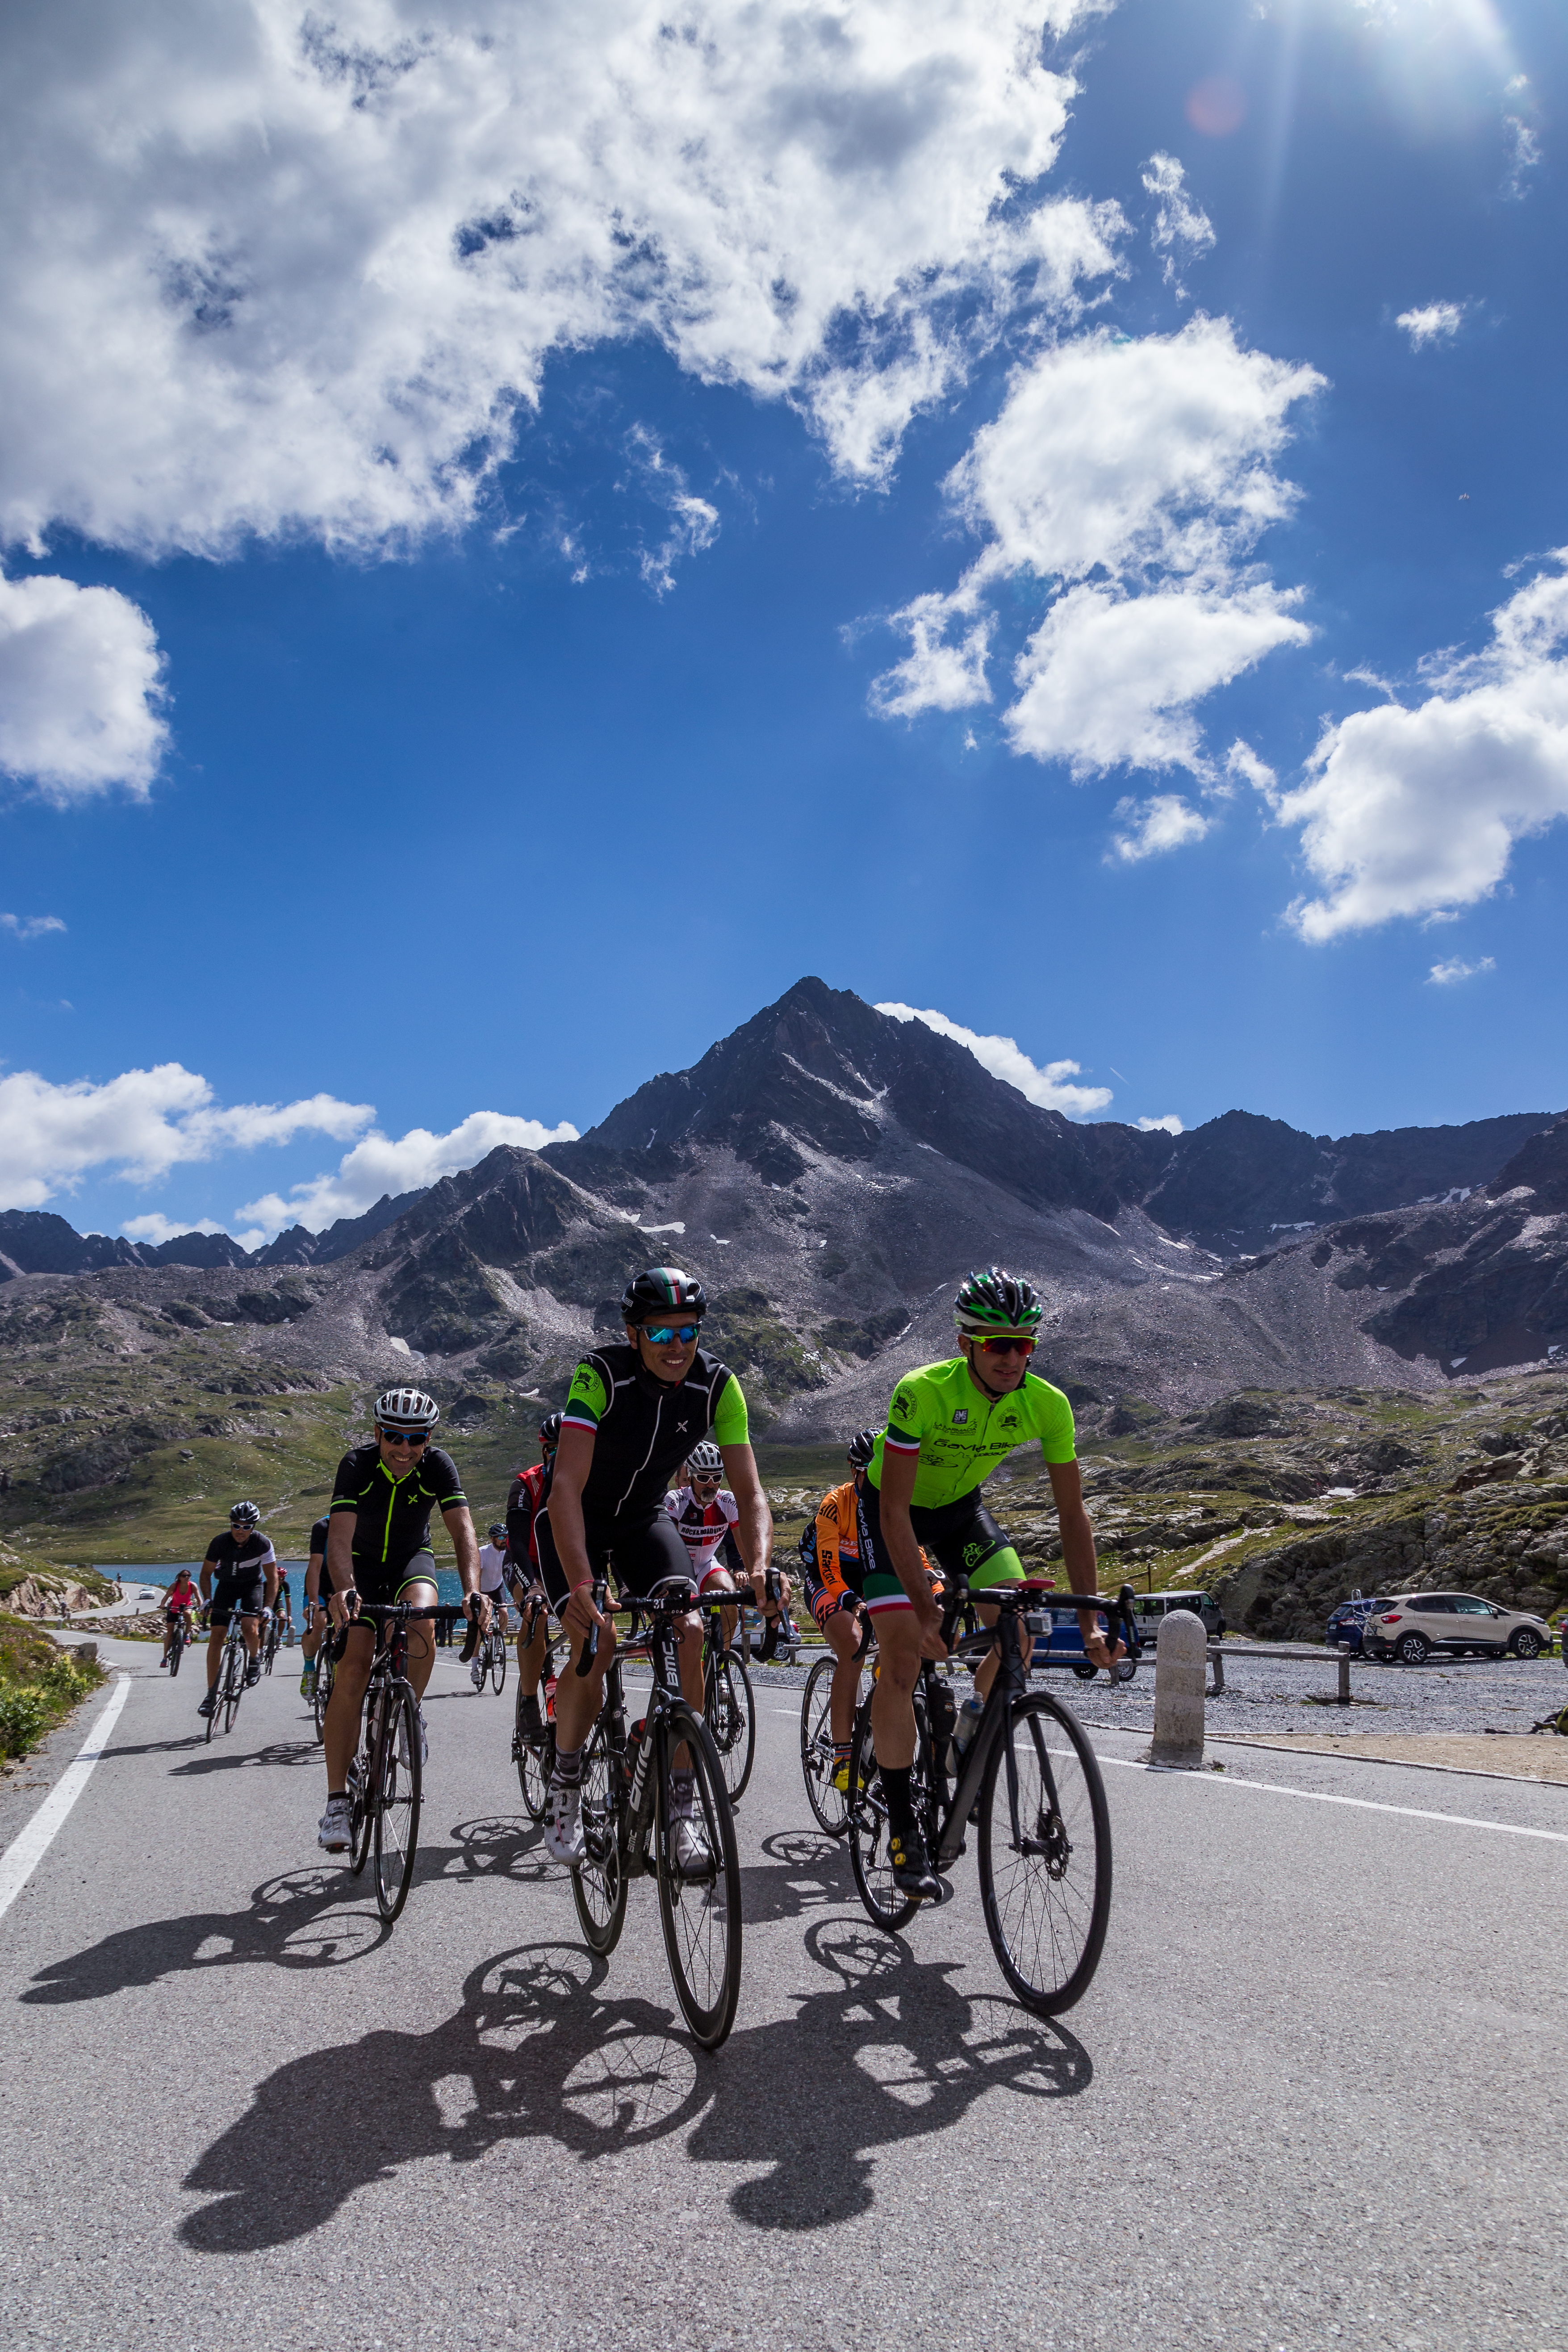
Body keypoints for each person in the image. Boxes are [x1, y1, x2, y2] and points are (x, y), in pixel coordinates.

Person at [854, 1267, 1120, 1899]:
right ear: (965, 1343)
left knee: (1019, 1625)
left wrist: (1089, 1622)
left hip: (959, 1513)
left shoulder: (1047, 1404)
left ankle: (968, 1735)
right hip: (887, 1509)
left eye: (1023, 1344)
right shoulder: (921, 1392)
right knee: (898, 1658)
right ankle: (901, 1829)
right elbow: (893, 1513)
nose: (1010, 1357)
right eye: (996, 1343)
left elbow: (1070, 1512)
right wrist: (921, 1608)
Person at [535, 1268, 771, 1869]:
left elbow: (750, 1492)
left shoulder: (718, 1384)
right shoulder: (600, 1374)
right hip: (577, 1518)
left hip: (642, 1520)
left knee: (690, 1629)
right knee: (599, 1637)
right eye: (660, 1334)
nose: (676, 1347)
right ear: (632, 1333)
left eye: (687, 1332)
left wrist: (761, 1564)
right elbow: (563, 1486)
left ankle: (680, 1813)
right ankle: (564, 1784)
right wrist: (584, 1584)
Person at [317, 1387, 482, 1854]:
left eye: (416, 1439)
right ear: (377, 1433)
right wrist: (345, 1589)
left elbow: (463, 1530)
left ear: (428, 1439)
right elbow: (340, 1538)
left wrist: (472, 1591)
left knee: (423, 1624)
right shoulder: (356, 1465)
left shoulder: (437, 1466)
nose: (405, 1449)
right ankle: (335, 1802)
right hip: (361, 1568)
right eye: (394, 1436)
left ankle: (411, 1711)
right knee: (352, 1665)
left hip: (412, 1559)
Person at [665, 1439, 792, 1651]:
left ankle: (720, 1664)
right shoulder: (676, 1500)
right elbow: (666, 1549)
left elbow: (746, 1549)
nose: (711, 1484)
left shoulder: (728, 1502)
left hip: (706, 1564)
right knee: (688, 1624)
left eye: (717, 1478)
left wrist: (758, 1577)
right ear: (691, 1477)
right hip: (679, 1568)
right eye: (704, 1478)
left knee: (727, 1593)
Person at [505, 1413, 560, 1736]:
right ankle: (528, 1701)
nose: (561, 1456)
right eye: (554, 1450)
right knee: (535, 1613)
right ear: (544, 1452)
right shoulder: (526, 1483)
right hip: (526, 1563)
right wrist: (533, 1588)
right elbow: (516, 1542)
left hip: (563, 1565)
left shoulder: (592, 1482)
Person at [197, 1503, 277, 1718]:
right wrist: (207, 1600)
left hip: (253, 1585)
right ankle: (211, 1695)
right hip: (226, 1586)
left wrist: (269, 1607)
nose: (241, 1531)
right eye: (236, 1525)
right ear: (231, 1524)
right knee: (217, 1636)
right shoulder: (220, 1543)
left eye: (247, 1526)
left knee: (249, 1627)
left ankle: (254, 1658)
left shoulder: (262, 1543)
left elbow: (273, 1578)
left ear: (254, 1527)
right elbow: (205, 1575)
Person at [463, 1522, 511, 1688]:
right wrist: (478, 1595)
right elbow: (478, 1574)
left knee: (504, 1613)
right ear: (493, 1539)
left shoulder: (508, 1552)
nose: (504, 1540)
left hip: (498, 1587)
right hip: (482, 1591)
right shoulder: (483, 1553)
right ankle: (475, 1668)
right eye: (500, 1537)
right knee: (479, 1629)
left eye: (506, 1537)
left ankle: (497, 1642)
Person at [300, 1514, 331, 1698]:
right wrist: (313, 1601)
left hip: (345, 1584)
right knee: (318, 1620)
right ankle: (309, 1667)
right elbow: (315, 1565)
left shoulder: (365, 1523)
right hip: (320, 1583)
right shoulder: (322, 1527)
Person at [159, 1567, 200, 1668]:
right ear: (180, 1577)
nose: (187, 1578)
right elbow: (166, 1596)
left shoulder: (193, 1586)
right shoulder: (175, 1586)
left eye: (188, 1576)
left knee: (189, 1614)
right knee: (170, 1631)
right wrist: (162, 1605)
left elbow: (199, 1598)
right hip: (174, 1608)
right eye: (184, 1576)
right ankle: (165, 1658)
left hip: (187, 1606)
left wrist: (202, 1607)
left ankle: (186, 1634)